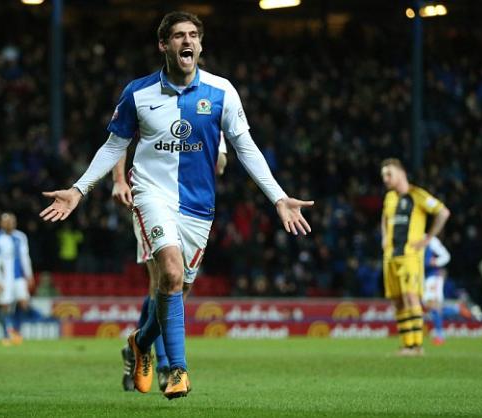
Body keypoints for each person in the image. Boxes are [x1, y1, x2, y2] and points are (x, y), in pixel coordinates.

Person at [40, 11, 313, 399]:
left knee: (175, 292)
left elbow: (245, 148)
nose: (187, 41)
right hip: (151, 194)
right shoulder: (138, 92)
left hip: (199, 208)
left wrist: (279, 197)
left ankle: (139, 343)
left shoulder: (222, 92)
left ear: (200, 46)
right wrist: (79, 189)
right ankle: (178, 370)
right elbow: (115, 145)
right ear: (164, 45)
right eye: (178, 36)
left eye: (193, 36)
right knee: (167, 271)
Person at [115, 133, 228, 393]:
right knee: (162, 279)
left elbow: (220, 164)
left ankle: (138, 345)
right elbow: (118, 138)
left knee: (177, 289)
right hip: (154, 201)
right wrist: (119, 179)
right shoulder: (148, 96)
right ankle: (166, 365)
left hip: (191, 206)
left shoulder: (213, 107)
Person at [380, 158, 450, 356]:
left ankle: (416, 346)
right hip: (390, 256)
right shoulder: (389, 198)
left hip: (410, 256)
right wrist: (385, 235)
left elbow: (443, 212)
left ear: (401, 173)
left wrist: (428, 238)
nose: (385, 179)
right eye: (383, 175)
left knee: (411, 297)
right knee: (398, 301)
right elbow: (384, 218)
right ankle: (406, 345)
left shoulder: (417, 195)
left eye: (389, 174)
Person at [0, 212, 34, 346]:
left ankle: (16, 332)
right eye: (7, 222)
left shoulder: (21, 237)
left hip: (19, 277)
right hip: (4, 278)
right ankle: (5, 335)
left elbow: (25, 257)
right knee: (5, 306)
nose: (10, 224)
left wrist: (29, 275)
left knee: (24, 304)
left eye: (12, 221)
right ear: (1, 224)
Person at [422, 235, 450, 345]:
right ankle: (456, 309)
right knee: (428, 306)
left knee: (434, 305)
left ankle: (440, 336)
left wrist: (436, 262)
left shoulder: (430, 240)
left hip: (434, 276)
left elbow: (446, 256)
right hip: (422, 277)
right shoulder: (411, 238)